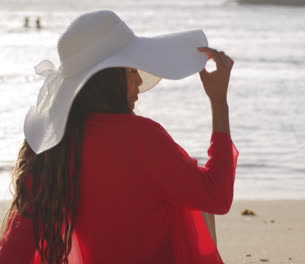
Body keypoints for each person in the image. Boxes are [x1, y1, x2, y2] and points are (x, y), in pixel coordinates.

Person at [0, 10, 238, 264]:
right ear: (109, 78)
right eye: (130, 69)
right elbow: (216, 196)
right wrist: (218, 103)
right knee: (193, 197)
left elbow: (14, 250)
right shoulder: (144, 138)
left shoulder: (52, 149)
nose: (138, 80)